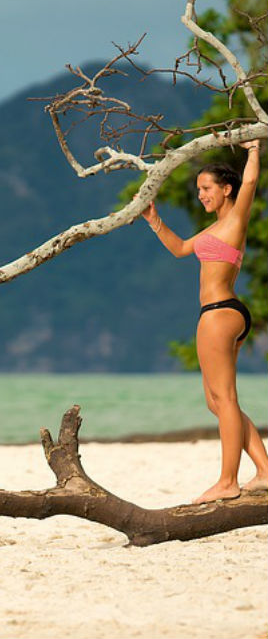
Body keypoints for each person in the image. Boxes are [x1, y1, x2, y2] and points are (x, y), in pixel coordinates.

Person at [142, 139, 268, 503]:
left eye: (207, 188)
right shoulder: (212, 232)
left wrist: (253, 150)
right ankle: (263, 470)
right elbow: (181, 248)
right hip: (224, 313)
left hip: (220, 313)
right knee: (216, 402)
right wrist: (154, 221)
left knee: (225, 398)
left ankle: (228, 481)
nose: (201, 195)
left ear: (226, 189)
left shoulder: (234, 220)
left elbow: (249, 184)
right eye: (198, 190)